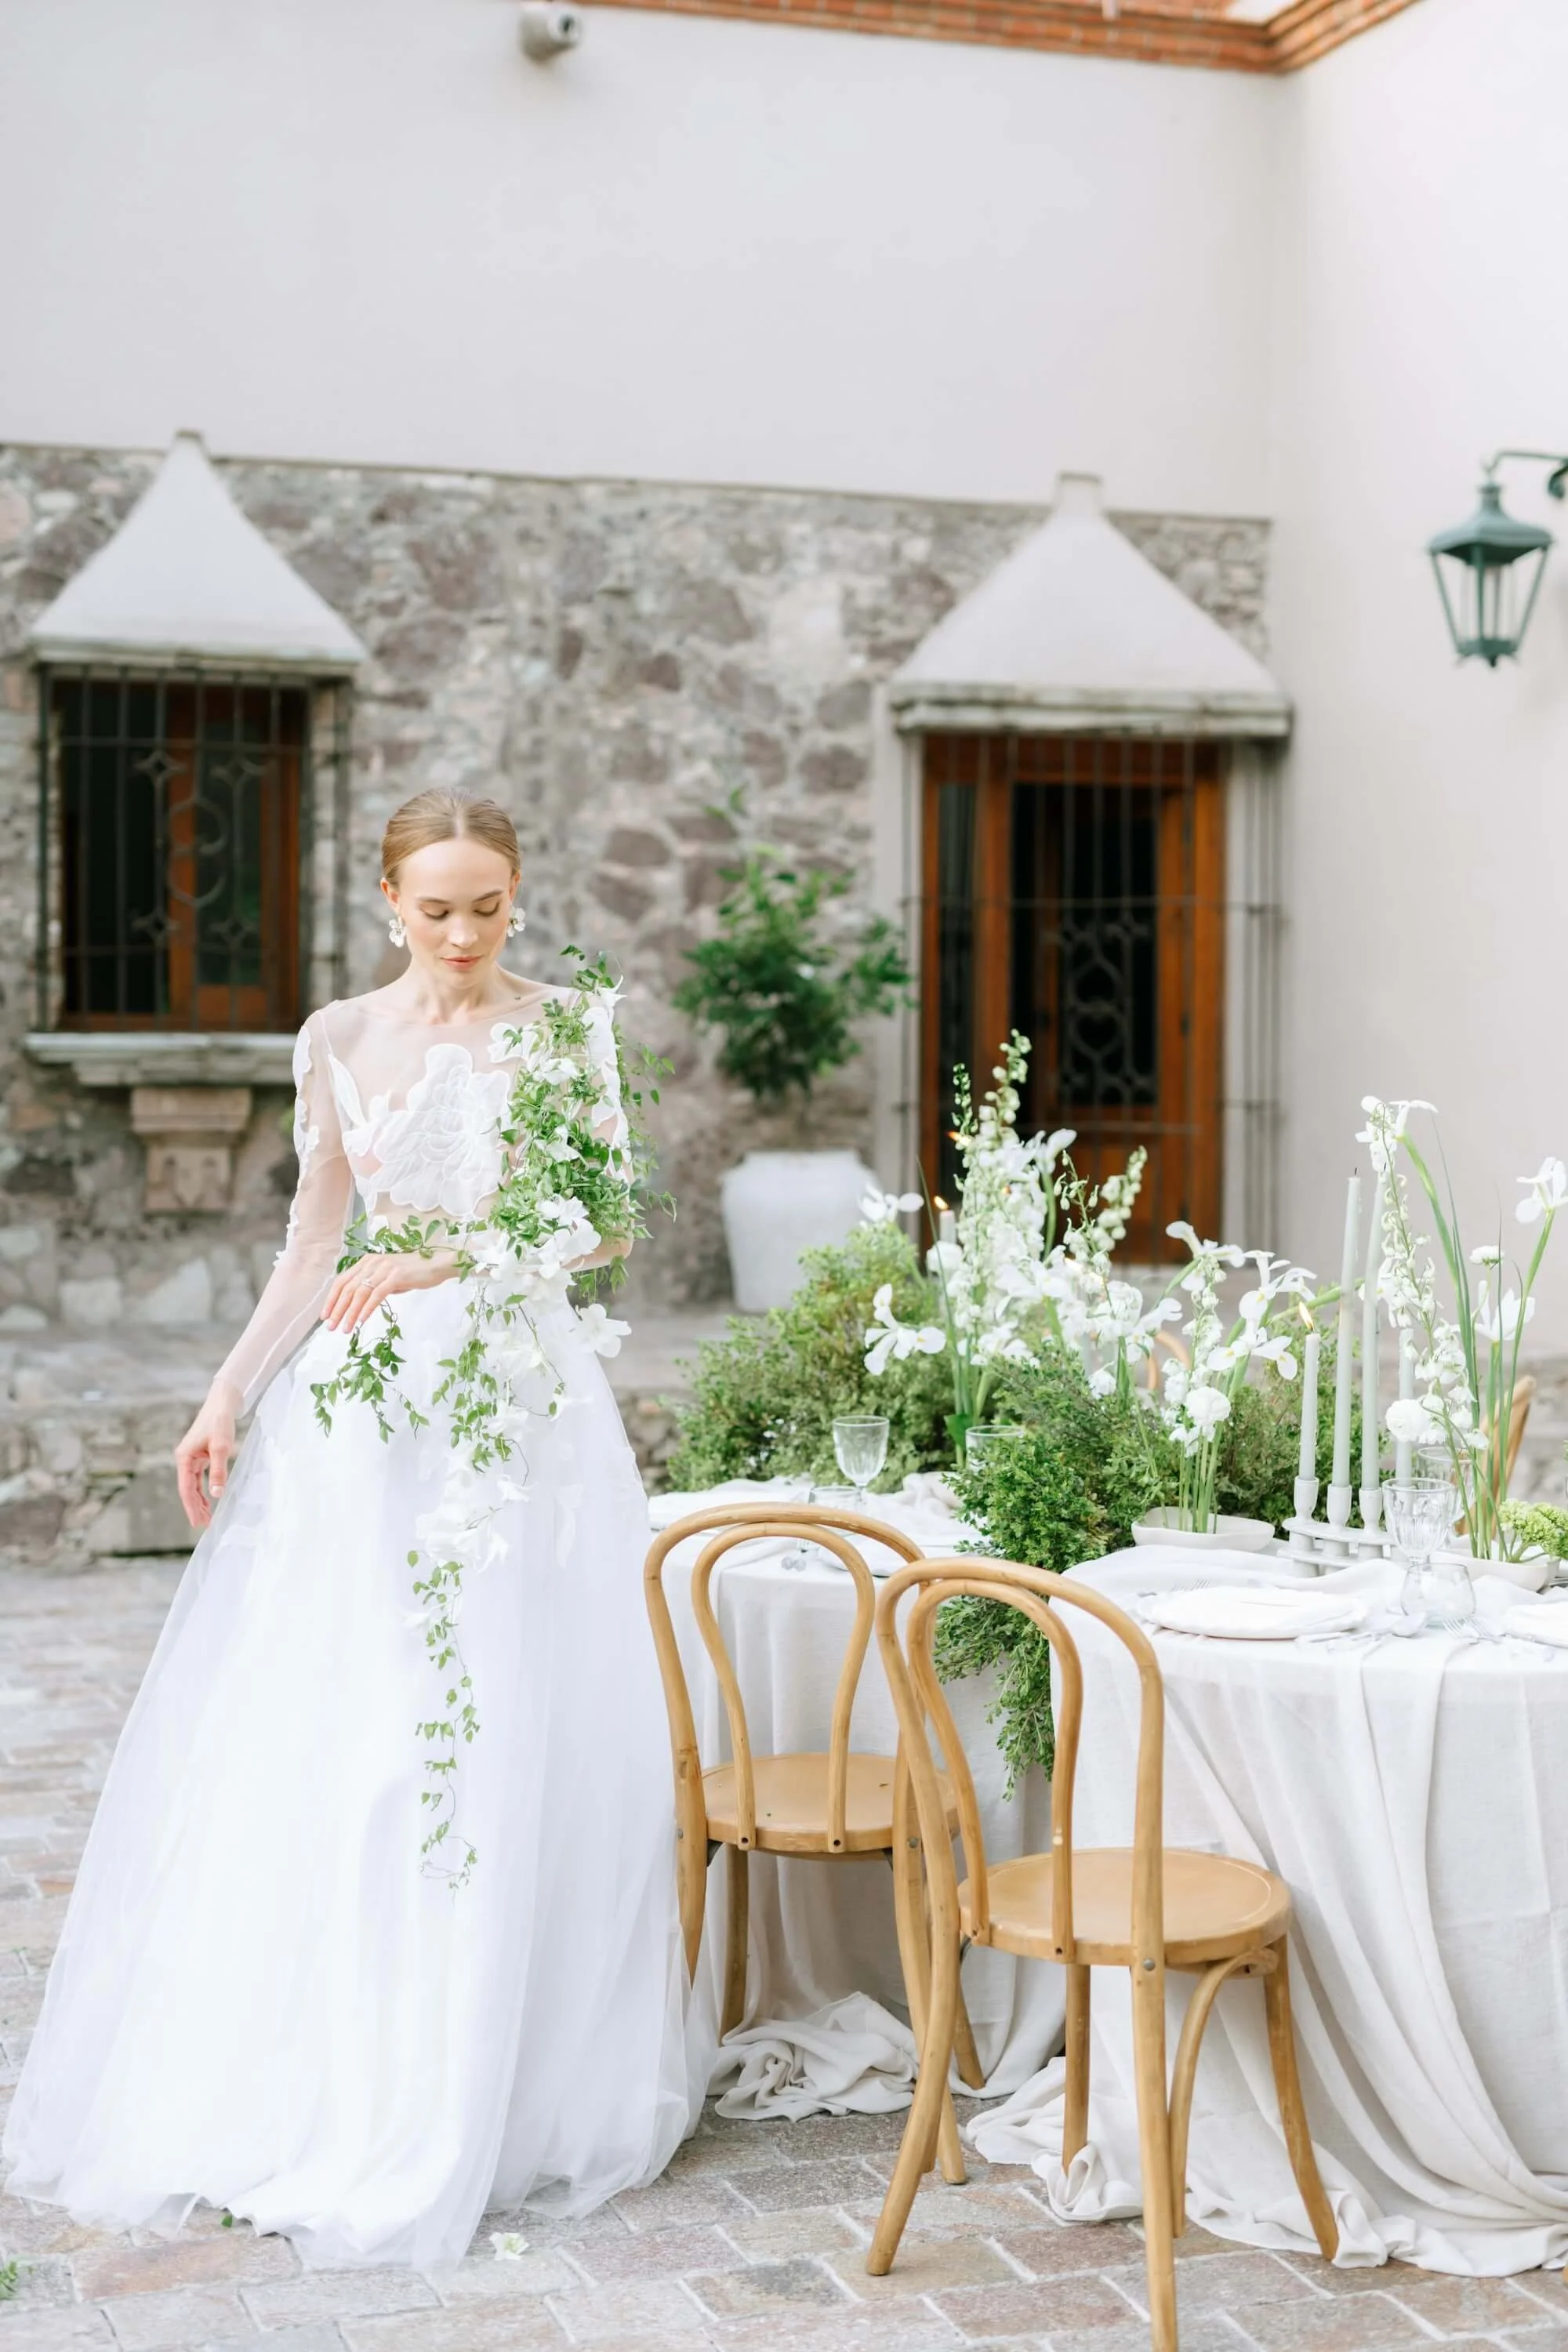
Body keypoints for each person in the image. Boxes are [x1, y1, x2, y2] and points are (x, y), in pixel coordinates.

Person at [3, 789, 705, 2268]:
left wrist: (448, 1255)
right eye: (438, 907)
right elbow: (317, 1237)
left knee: (510, 1712)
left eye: (490, 906)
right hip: (362, 1419)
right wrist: (226, 1394)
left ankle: (498, 2077)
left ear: (519, 897)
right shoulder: (335, 1039)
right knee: (347, 1719)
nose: (463, 935)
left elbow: (606, 1229)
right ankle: (320, 2059)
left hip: (514, 1400)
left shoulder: (567, 1029)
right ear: (388, 902)